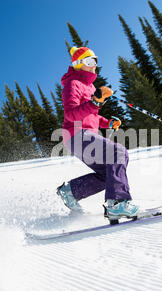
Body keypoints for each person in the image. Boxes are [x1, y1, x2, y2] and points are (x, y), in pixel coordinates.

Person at [56, 46, 139, 220]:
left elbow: (91, 115)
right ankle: (118, 203)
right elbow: (71, 114)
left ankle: (71, 192)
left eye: (95, 60)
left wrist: (107, 122)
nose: (94, 65)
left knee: (107, 174)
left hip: (82, 135)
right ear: (78, 64)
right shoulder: (73, 84)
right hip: (77, 134)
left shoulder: (90, 87)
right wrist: (95, 101)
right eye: (89, 61)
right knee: (118, 153)